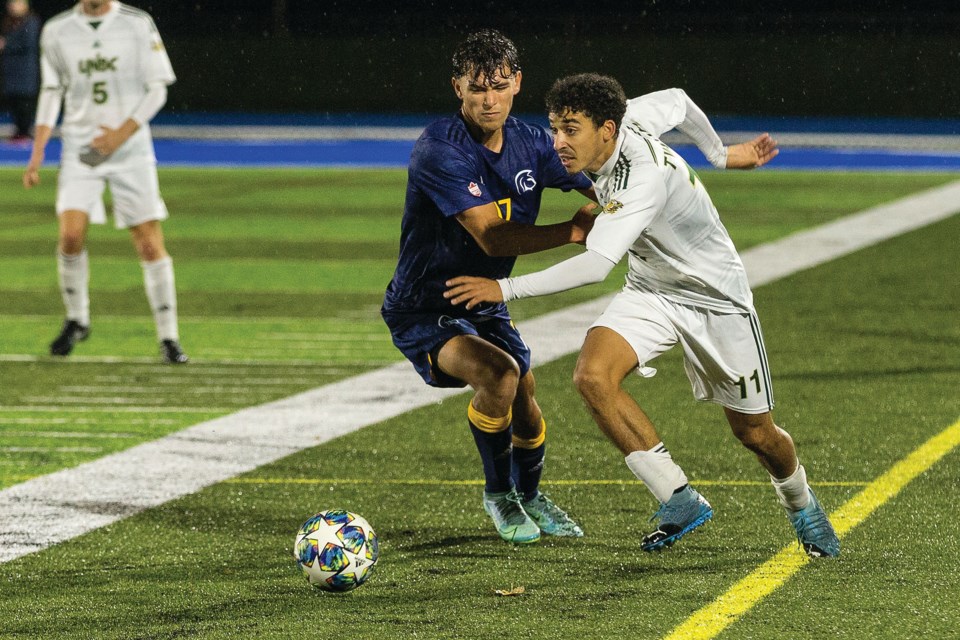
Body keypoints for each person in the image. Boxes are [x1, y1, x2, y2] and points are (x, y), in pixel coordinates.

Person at [444, 73, 841, 558]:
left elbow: (595, 264)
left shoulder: (640, 181)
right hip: (652, 287)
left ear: (607, 130)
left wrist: (502, 288)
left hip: (716, 299)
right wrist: (720, 155)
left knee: (755, 434)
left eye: (571, 130)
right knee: (592, 376)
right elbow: (678, 99)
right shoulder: (626, 118)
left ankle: (802, 505)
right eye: (555, 129)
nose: (558, 143)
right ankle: (679, 496)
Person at [381, 30, 596, 544]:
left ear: (517, 83)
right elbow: (493, 238)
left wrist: (616, 198)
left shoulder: (533, 143)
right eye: (477, 88)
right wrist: (573, 230)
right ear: (457, 87)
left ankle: (532, 494)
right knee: (500, 374)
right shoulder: (440, 149)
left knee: (524, 387)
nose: (489, 99)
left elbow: (598, 178)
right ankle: (499, 495)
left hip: (486, 298)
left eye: (499, 86)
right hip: (426, 303)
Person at [22, 0, 188, 364]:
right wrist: (37, 153)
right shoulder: (57, 29)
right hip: (81, 150)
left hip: (130, 152)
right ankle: (77, 318)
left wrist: (121, 134)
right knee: (69, 236)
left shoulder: (137, 23)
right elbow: (52, 92)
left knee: (147, 243)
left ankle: (169, 338)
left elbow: (158, 89)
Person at [1, 0, 40, 142]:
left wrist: (6, 44)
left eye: (17, 4)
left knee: (24, 104)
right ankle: (19, 133)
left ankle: (25, 134)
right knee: (14, 102)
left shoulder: (31, 21)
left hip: (25, 72)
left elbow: (27, 43)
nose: (13, 7)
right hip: (11, 72)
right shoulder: (9, 22)